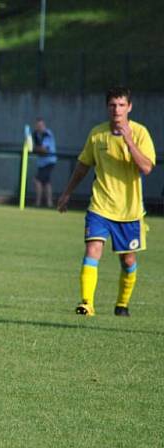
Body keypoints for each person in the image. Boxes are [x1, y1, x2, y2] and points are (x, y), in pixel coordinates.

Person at [57, 86, 155, 317]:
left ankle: (122, 304)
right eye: (112, 105)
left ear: (129, 107)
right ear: (106, 107)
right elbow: (82, 166)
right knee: (92, 248)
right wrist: (67, 193)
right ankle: (86, 304)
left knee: (128, 260)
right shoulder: (97, 134)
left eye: (122, 105)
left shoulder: (140, 133)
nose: (117, 110)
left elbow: (147, 167)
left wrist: (129, 141)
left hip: (129, 211)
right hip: (100, 206)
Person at [32, 117, 57, 208]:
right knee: (46, 182)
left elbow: (44, 150)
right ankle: (49, 203)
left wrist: (33, 148)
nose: (40, 127)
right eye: (38, 125)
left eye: (41, 125)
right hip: (41, 162)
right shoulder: (35, 134)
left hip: (49, 161)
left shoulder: (47, 134)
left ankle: (38, 203)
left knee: (37, 180)